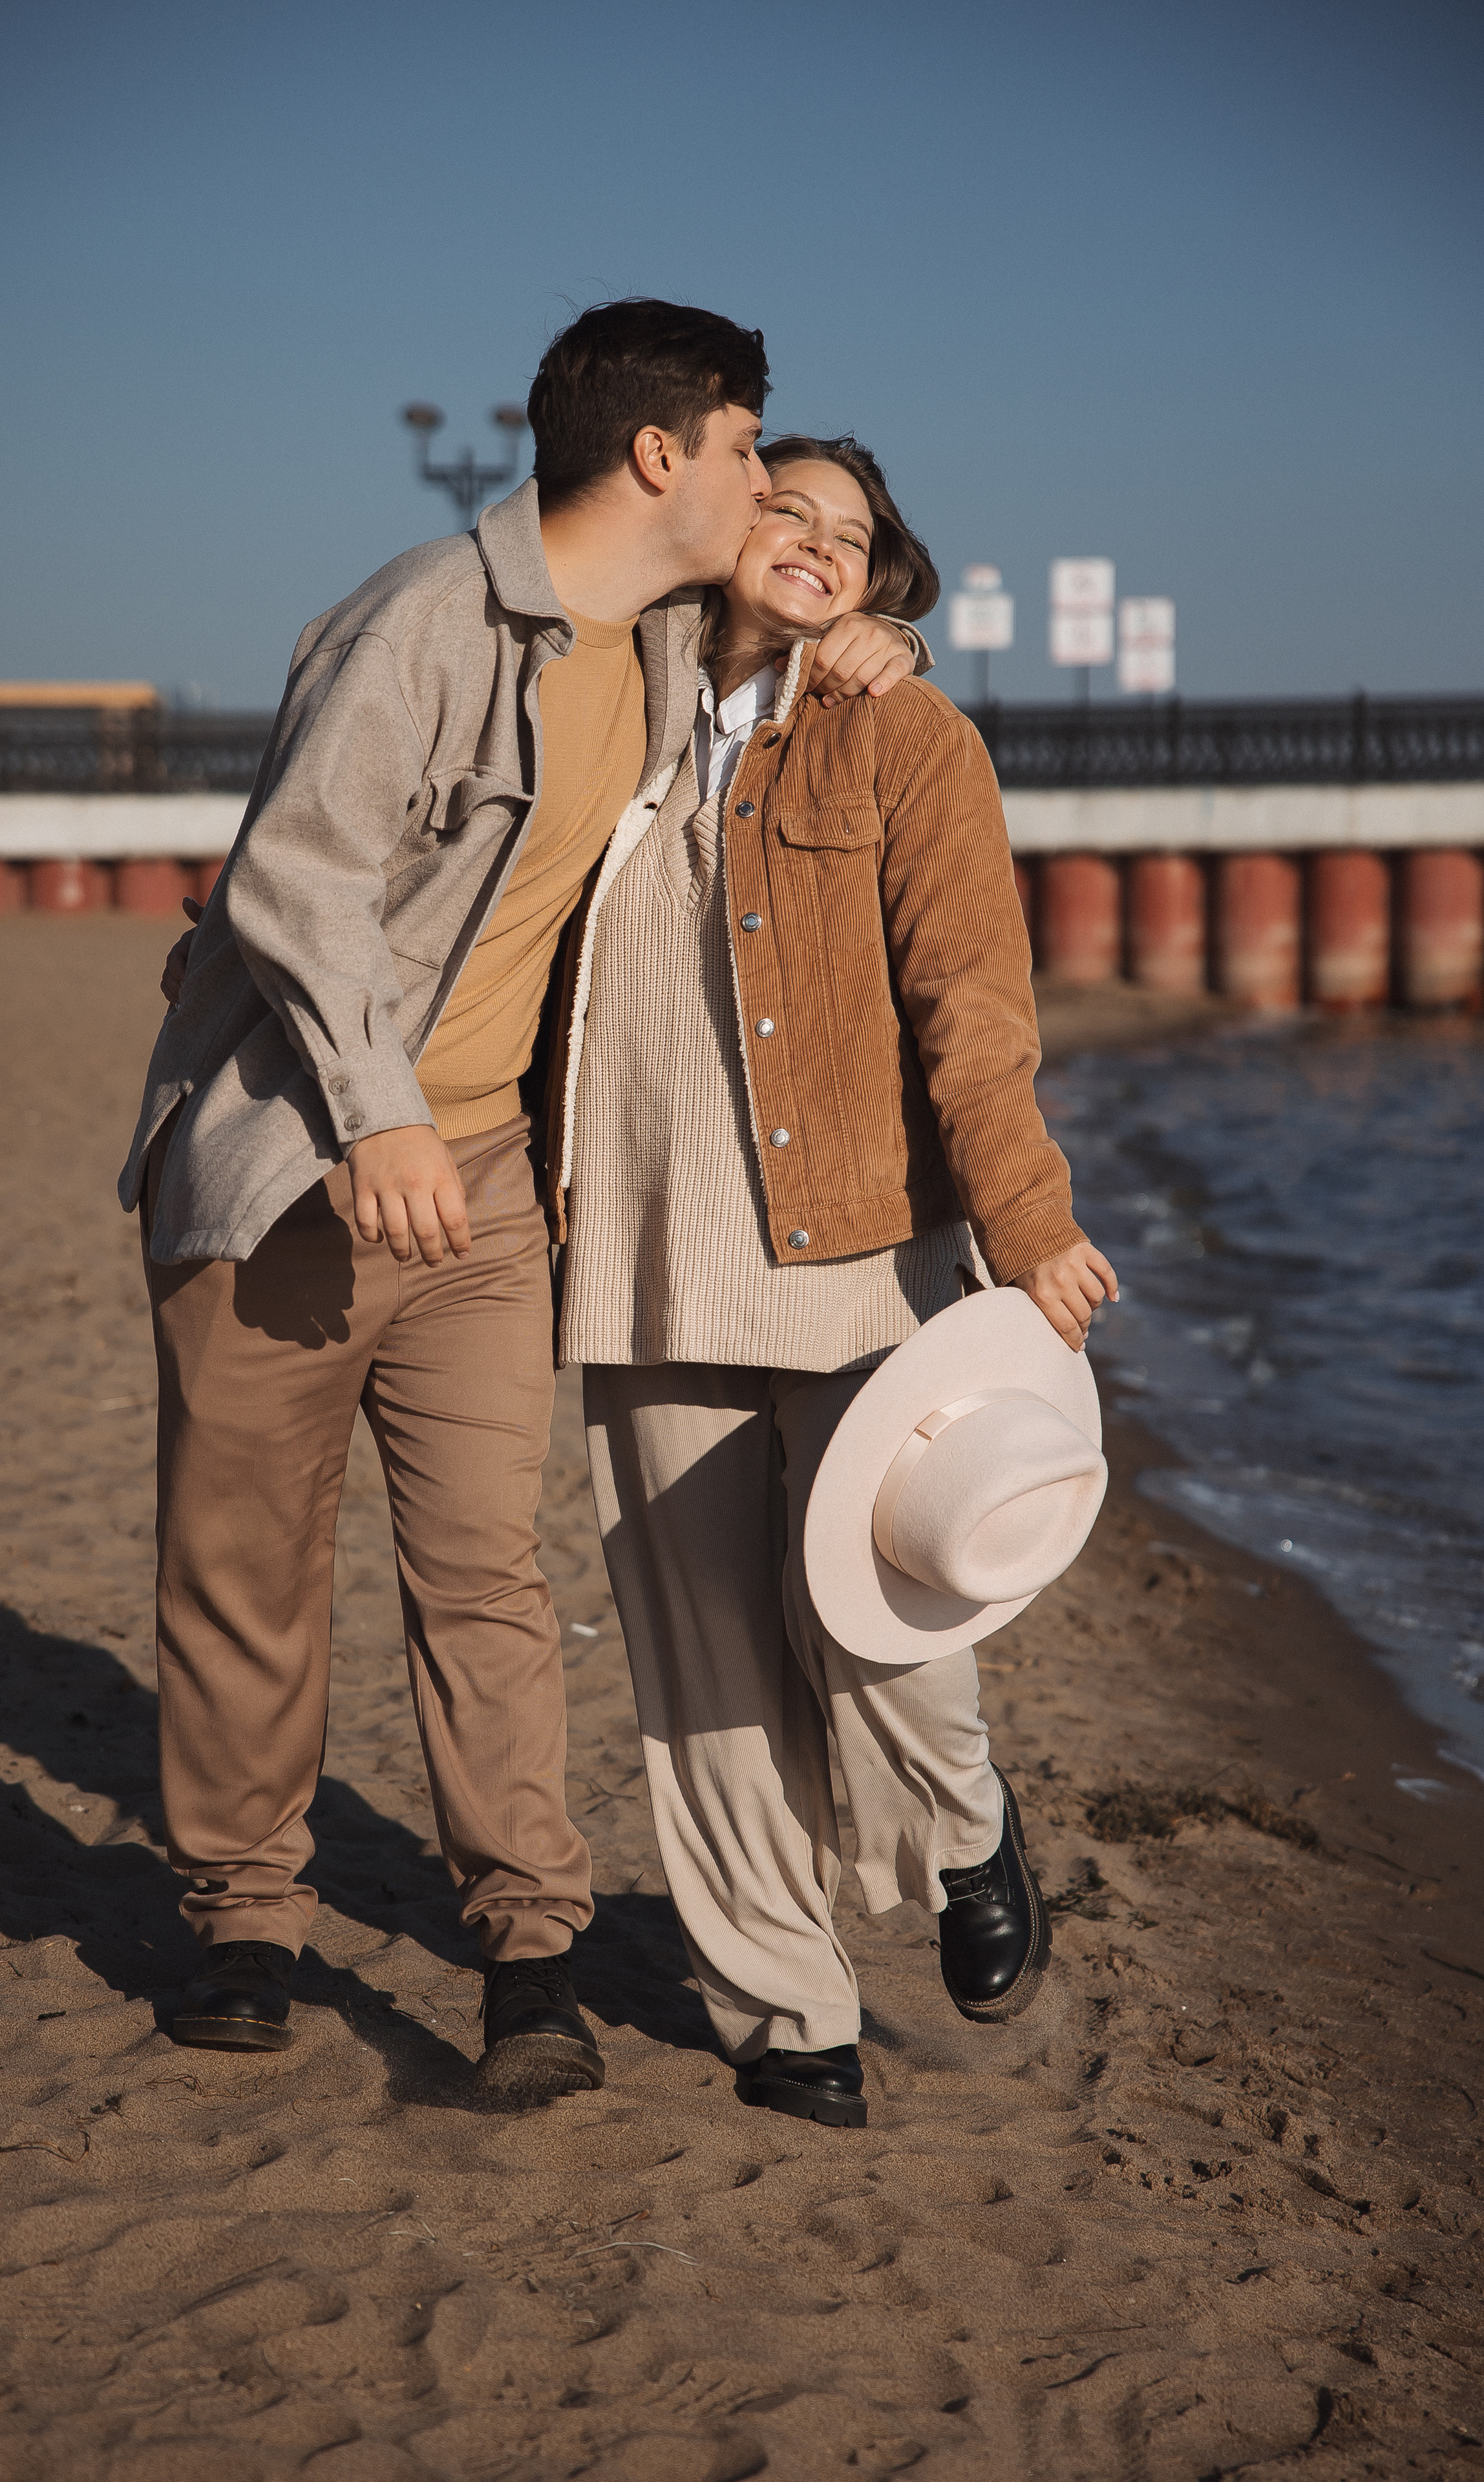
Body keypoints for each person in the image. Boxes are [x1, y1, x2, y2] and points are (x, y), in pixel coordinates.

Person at [123, 306, 926, 2095]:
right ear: (661, 455)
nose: (762, 485)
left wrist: (875, 642)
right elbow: (293, 878)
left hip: (488, 1186)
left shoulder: (643, 647)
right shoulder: (422, 621)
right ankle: (246, 1918)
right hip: (291, 1170)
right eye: (744, 451)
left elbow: (771, 690)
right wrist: (376, 1115)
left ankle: (528, 1954)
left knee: (484, 1570)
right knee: (248, 1567)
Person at [540, 434, 1119, 2127]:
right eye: (784, 508)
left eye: (850, 538)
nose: (814, 544)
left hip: (853, 1243)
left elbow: (974, 999)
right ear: (717, 526)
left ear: (880, 584)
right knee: (700, 1662)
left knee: (885, 1621)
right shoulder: (610, 701)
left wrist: (1027, 1217)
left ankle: (965, 1820)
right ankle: (787, 2013)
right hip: (640, 1244)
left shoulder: (904, 731)